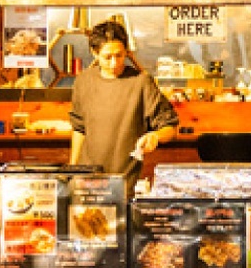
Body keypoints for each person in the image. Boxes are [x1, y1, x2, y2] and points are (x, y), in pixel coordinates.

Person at [69, 20, 178, 195]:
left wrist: (155, 136)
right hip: (88, 182)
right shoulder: (83, 81)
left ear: (127, 51)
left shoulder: (141, 82)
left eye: (119, 55)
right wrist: (72, 170)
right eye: (107, 57)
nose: (114, 63)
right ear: (94, 53)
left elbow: (170, 127)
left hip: (126, 182)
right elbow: (79, 128)